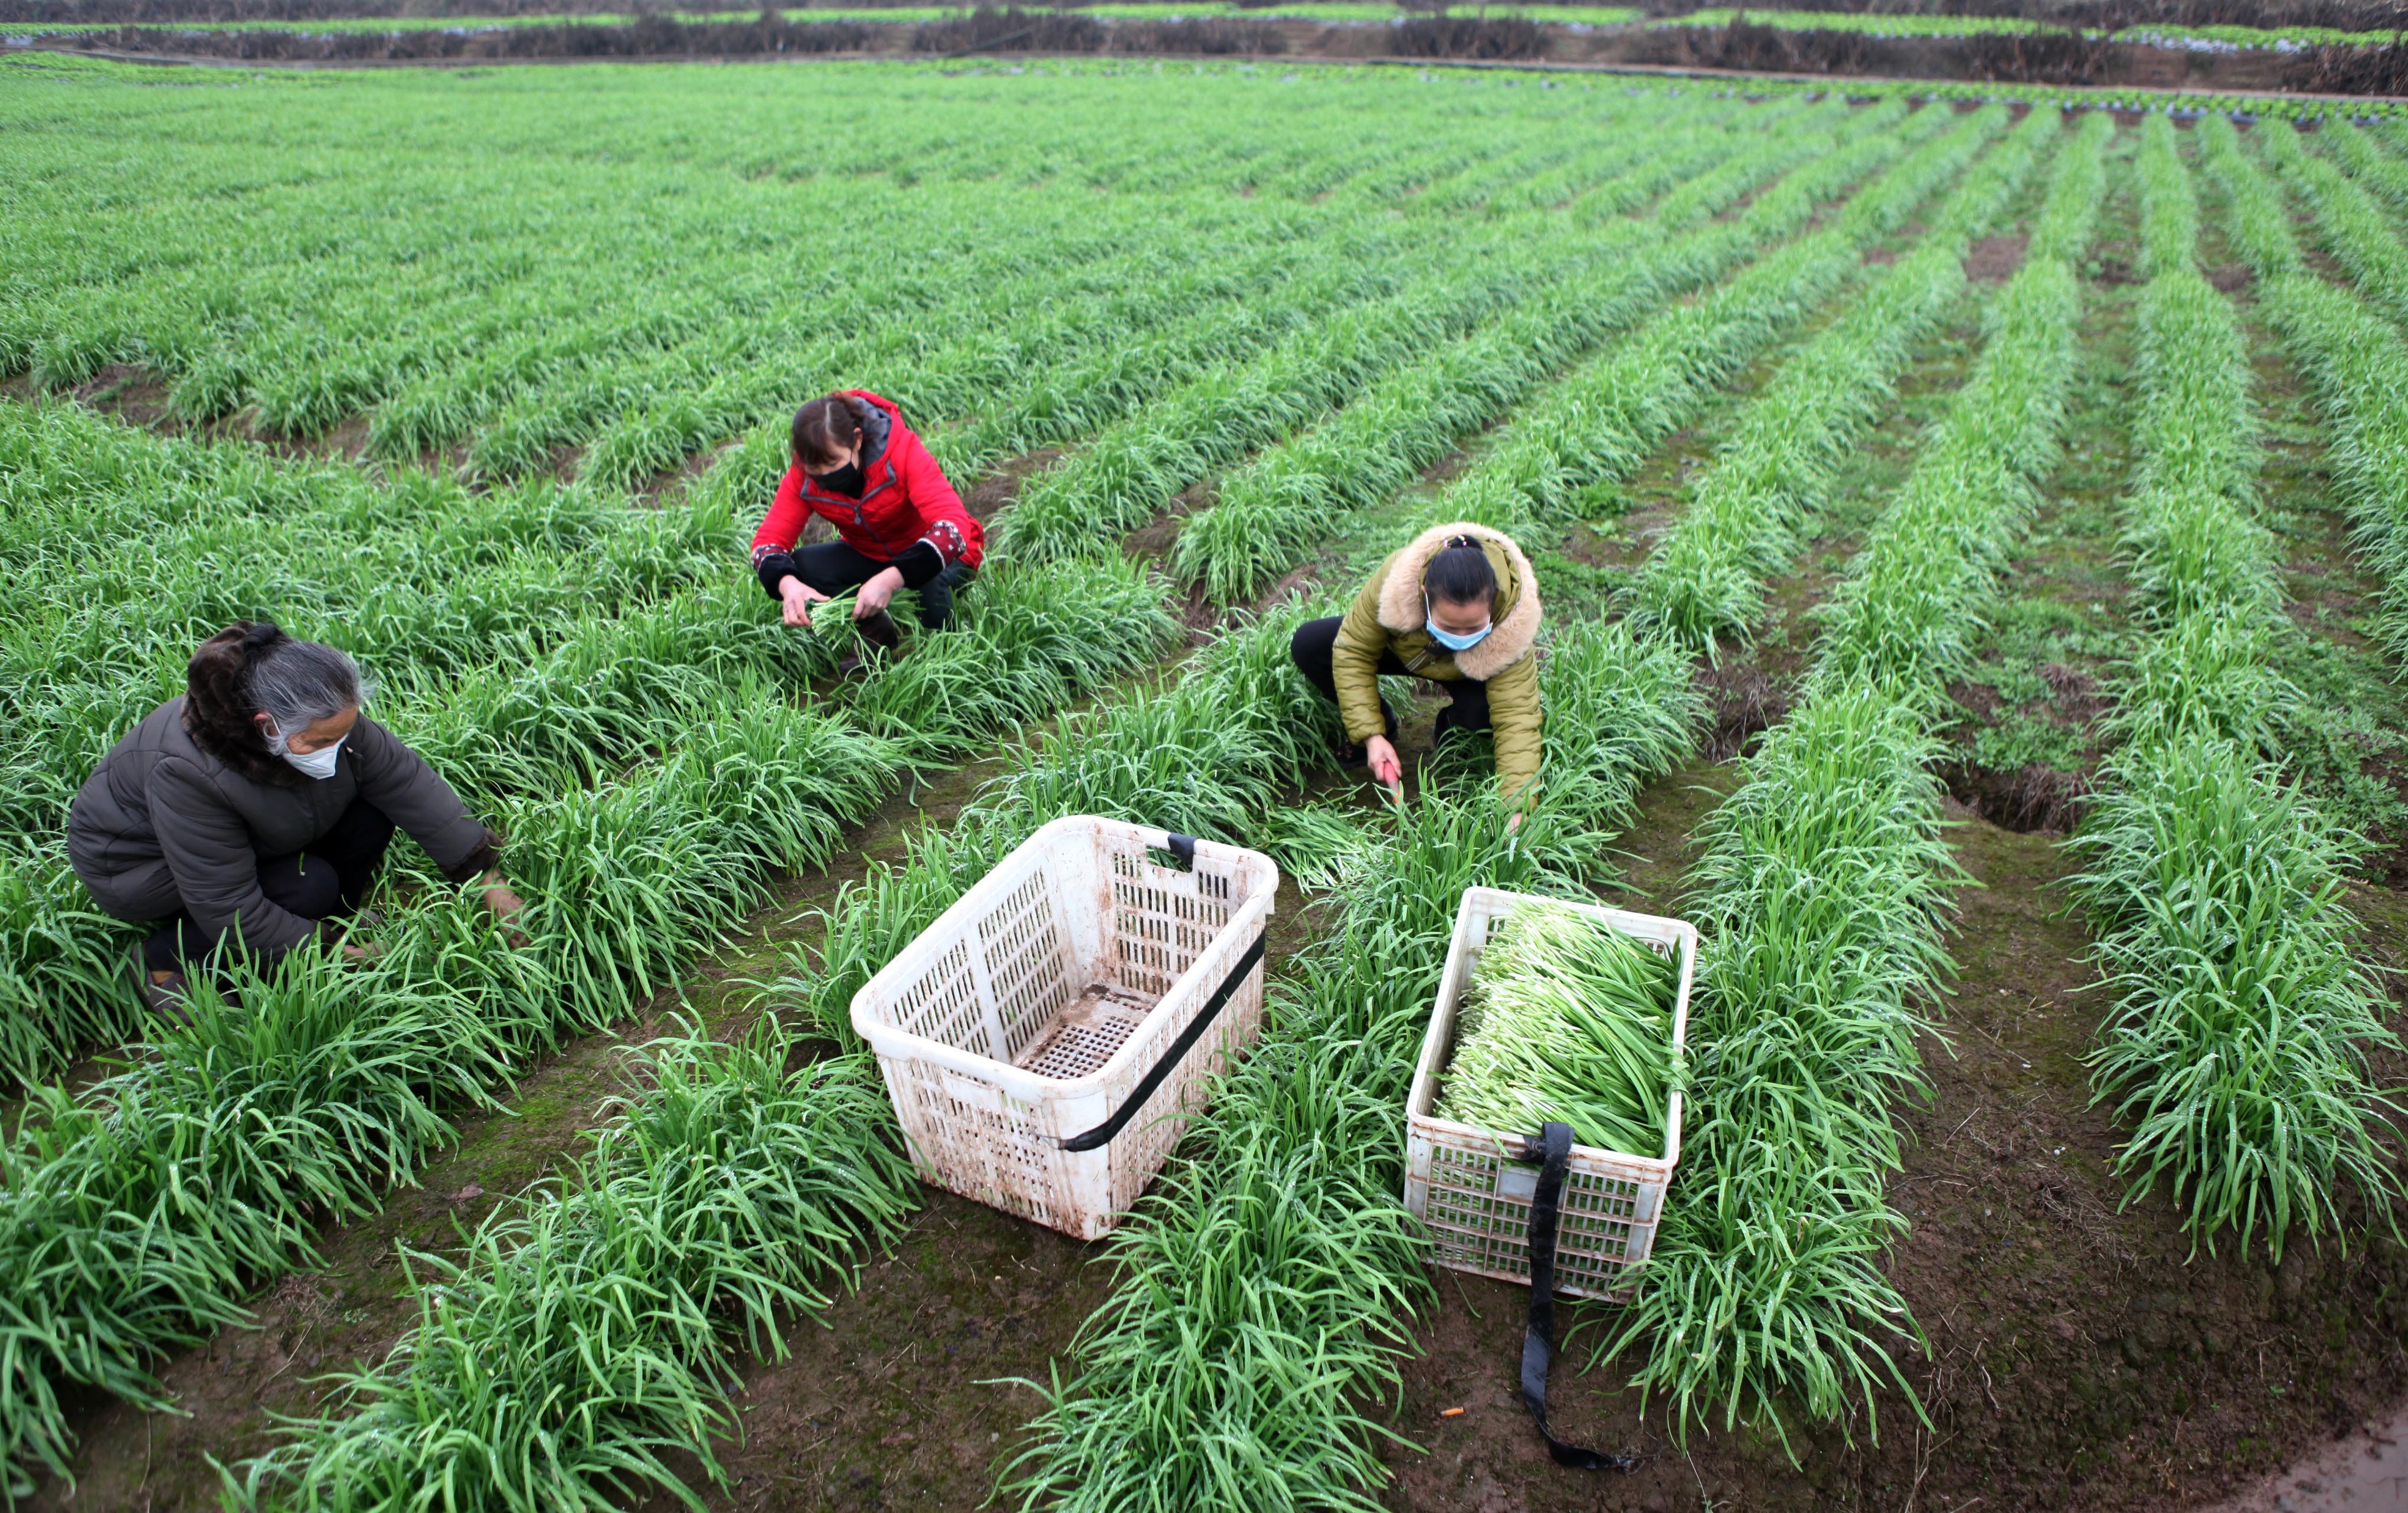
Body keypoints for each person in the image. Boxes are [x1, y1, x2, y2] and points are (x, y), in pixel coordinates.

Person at [68, 623, 524, 1014]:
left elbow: (406, 783)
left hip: (247, 834)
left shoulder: (320, 709)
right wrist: (332, 954)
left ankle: (321, 923)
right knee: (309, 885)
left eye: (346, 732)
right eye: (321, 740)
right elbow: (224, 901)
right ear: (268, 725)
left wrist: (486, 877)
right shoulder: (187, 769)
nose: (340, 747)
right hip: (141, 868)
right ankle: (165, 958)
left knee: (371, 815)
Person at [1290, 522, 1543, 820]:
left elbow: (1518, 717)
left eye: (1473, 627)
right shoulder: (1398, 580)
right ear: (1424, 594)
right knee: (1310, 644)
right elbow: (1353, 648)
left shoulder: (1512, 620)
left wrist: (1517, 810)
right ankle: (1383, 725)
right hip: (1406, 650)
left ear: (1493, 601)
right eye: (1450, 626)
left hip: (1469, 672)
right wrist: (1371, 735)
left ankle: (1451, 731)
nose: (1461, 635)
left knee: (1483, 714)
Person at [750, 389, 984, 668]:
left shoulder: (901, 452)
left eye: (833, 462)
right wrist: (787, 586)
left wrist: (890, 580)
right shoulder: (802, 477)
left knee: (929, 583)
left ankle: (949, 655)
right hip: (872, 554)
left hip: (944, 553)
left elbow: (954, 529)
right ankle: (876, 633)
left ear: (857, 440)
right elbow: (767, 544)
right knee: (802, 565)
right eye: (815, 467)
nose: (825, 475)